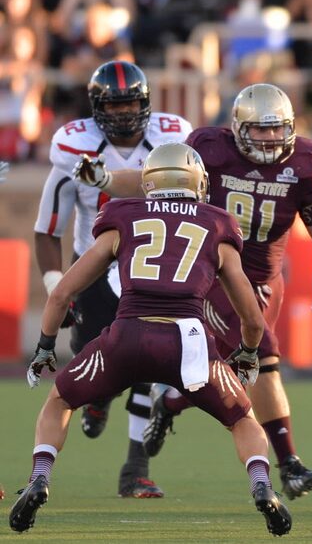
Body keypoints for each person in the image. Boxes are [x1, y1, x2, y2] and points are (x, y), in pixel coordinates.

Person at [9, 143, 292, 537]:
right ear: (198, 182)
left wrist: (44, 345)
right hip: (190, 343)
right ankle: (262, 485)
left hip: (128, 334)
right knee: (242, 419)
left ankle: (40, 477)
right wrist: (246, 353)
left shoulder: (123, 216)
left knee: (60, 400)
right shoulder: (216, 223)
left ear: (148, 182)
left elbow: (61, 294)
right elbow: (252, 316)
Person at [74, 83, 312, 500]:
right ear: (236, 128)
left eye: (276, 130)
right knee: (264, 356)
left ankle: (172, 404)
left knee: (234, 370)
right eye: (259, 130)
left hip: (266, 281)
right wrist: (105, 178)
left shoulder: (305, 162)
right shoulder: (210, 149)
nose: (269, 139)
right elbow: (154, 182)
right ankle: (289, 464)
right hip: (211, 272)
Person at [33, 60, 192, 498]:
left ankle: (135, 469)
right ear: (97, 107)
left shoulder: (171, 141)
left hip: (152, 265)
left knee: (149, 360)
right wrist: (55, 288)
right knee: (89, 357)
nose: (124, 113)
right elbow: (47, 231)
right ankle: (99, 398)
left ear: (146, 104)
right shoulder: (73, 152)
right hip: (96, 263)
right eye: (115, 104)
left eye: (131, 104)